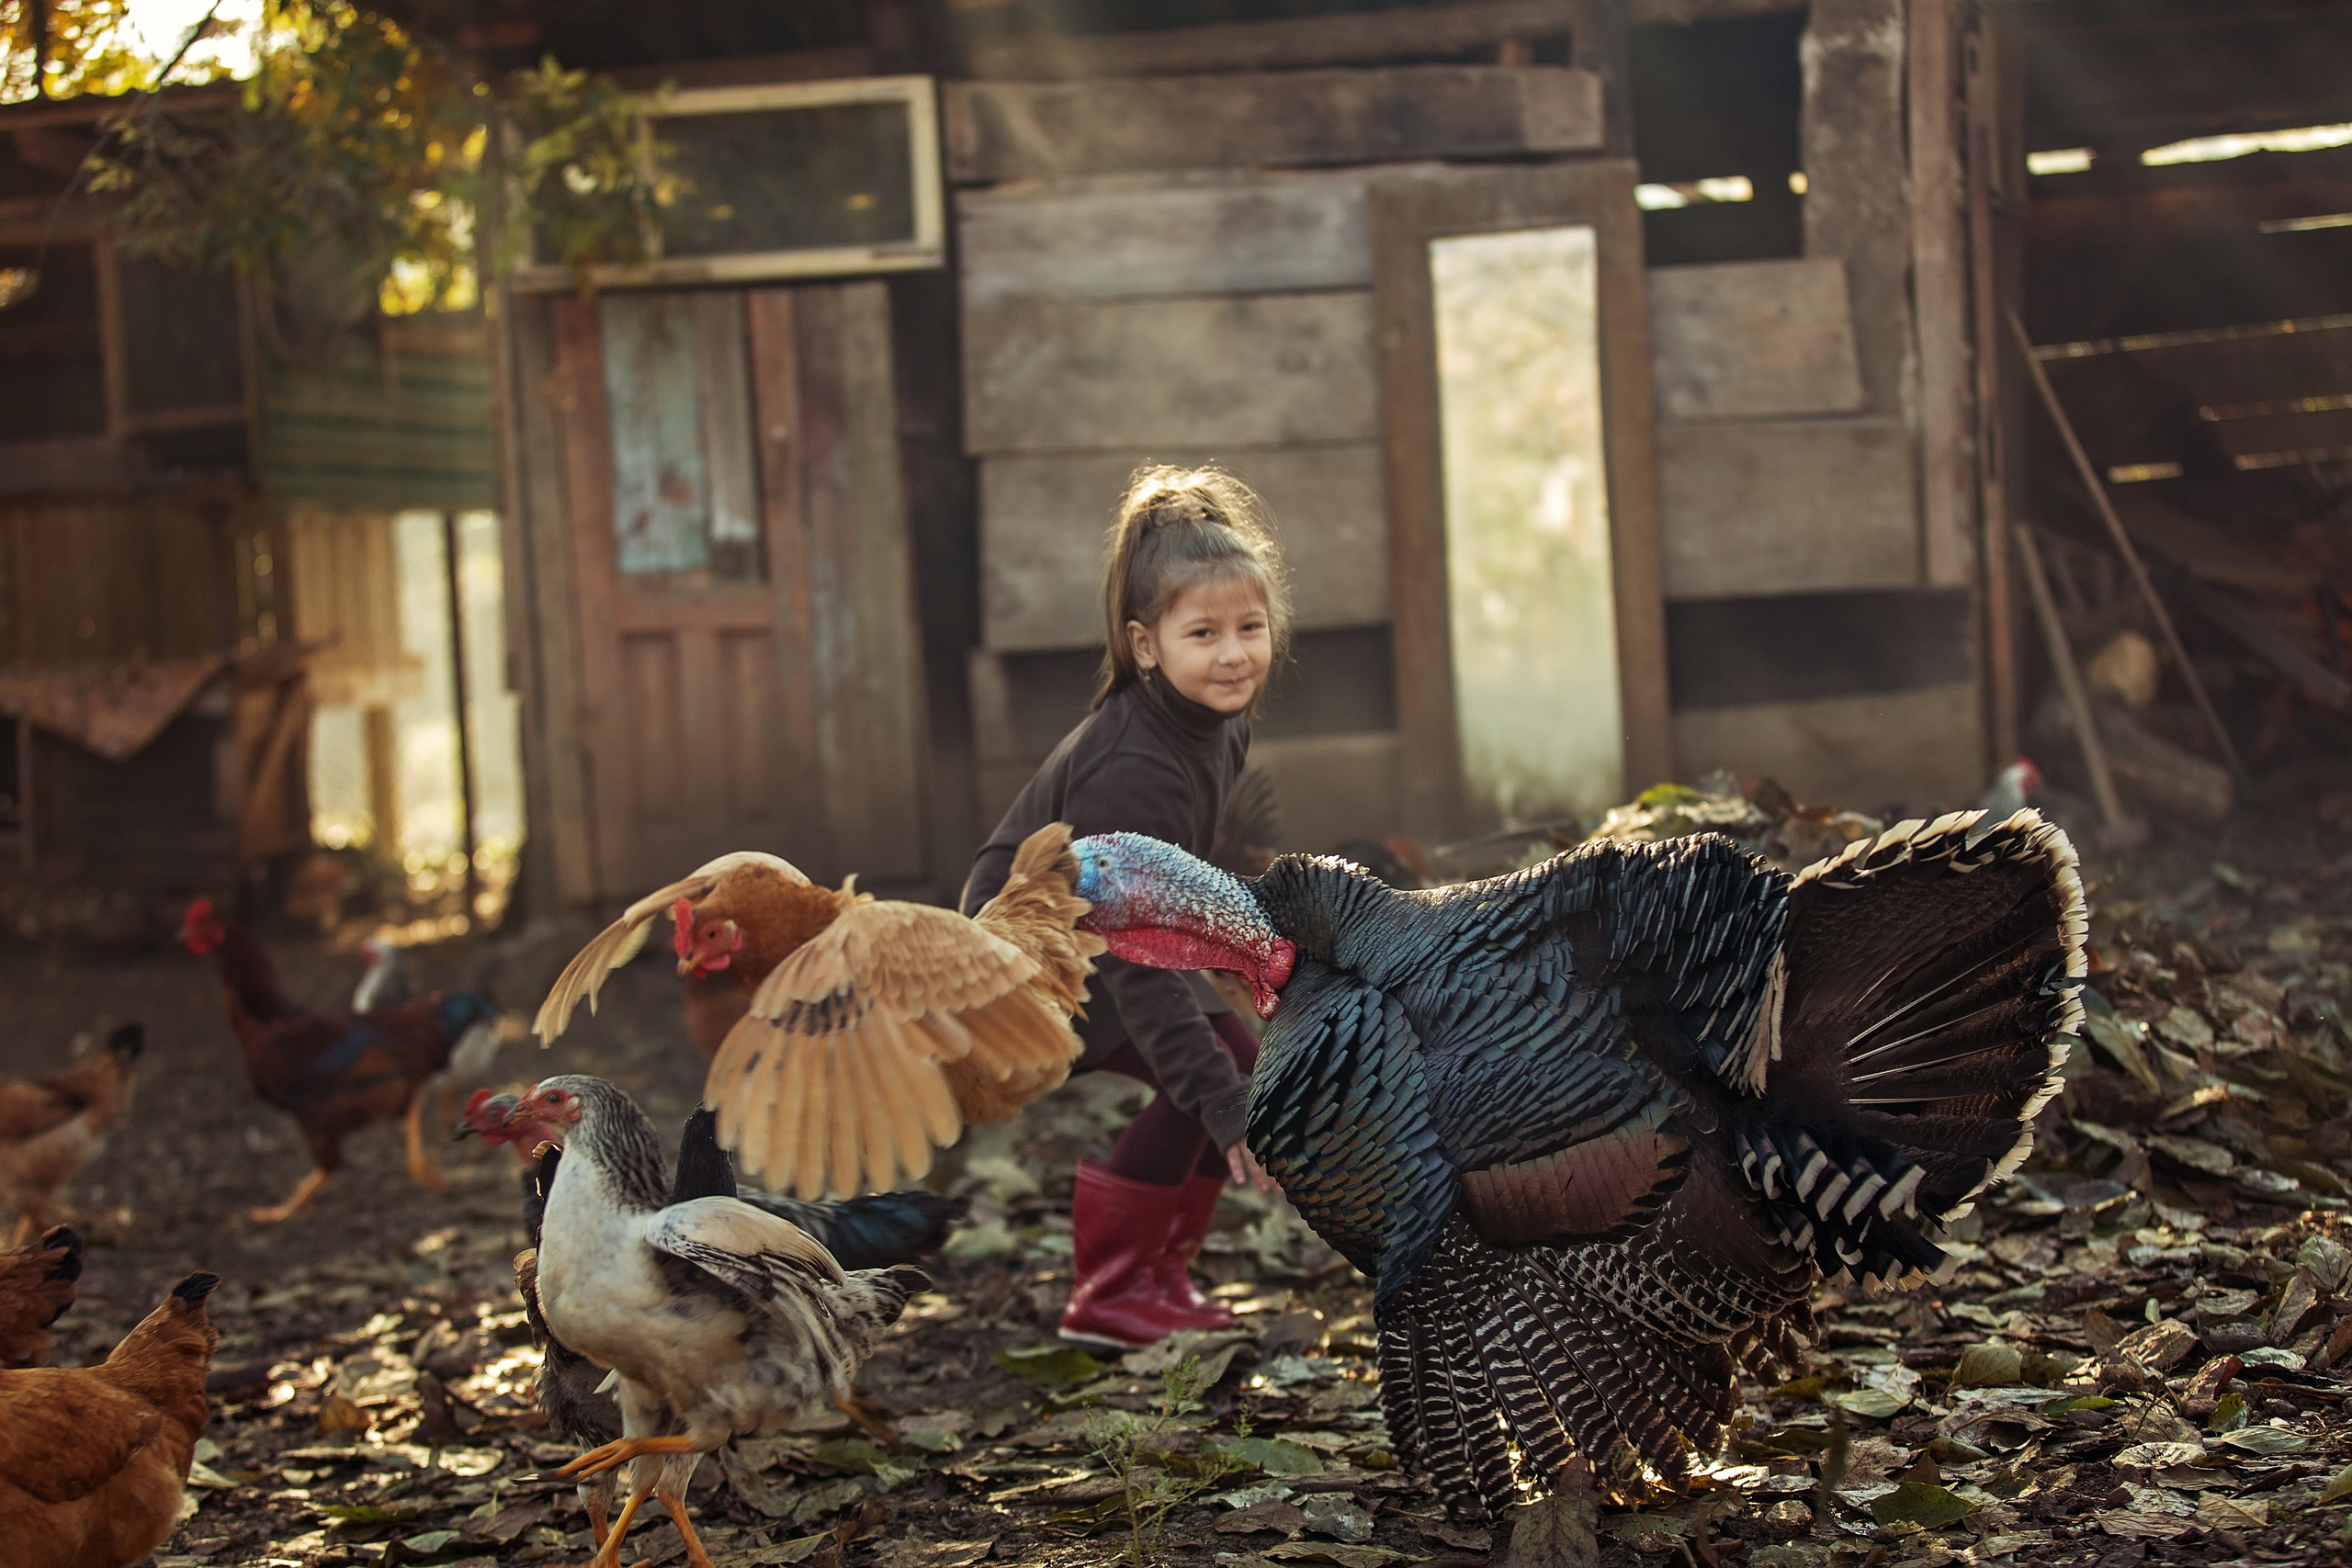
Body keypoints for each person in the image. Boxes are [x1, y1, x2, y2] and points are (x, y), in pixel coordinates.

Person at [961, 465, 1285, 1349]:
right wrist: (1219, 1100)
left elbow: (1174, 879)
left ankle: (1157, 1276)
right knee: (1206, 1084)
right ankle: (1107, 1290)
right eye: (1203, 633)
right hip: (1033, 948)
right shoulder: (1134, 764)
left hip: (1103, 924)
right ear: (1147, 646)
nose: (1233, 653)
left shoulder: (1221, 720)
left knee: (1238, 1072)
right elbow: (1137, 962)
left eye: (1249, 628)